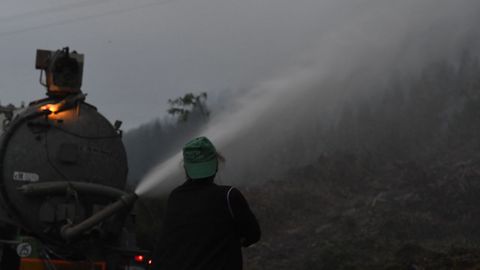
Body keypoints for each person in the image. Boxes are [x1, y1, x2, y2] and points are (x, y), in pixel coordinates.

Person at [153, 136, 261, 270]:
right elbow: (253, 235)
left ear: (186, 168)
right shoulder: (228, 197)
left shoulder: (176, 197)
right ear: (215, 165)